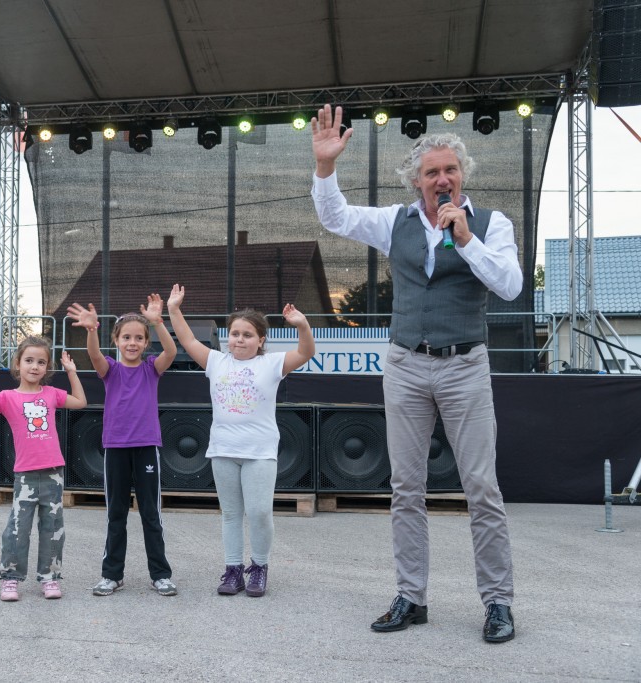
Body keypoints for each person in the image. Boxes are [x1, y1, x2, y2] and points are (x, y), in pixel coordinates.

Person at [310, 104, 520, 643]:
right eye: (431, 172)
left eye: (450, 170)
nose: (442, 179)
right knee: (406, 488)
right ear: (416, 181)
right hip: (405, 364)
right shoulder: (395, 222)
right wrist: (326, 166)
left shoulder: (492, 224)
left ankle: (498, 602)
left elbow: (510, 286)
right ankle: (411, 596)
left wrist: (466, 240)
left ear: (462, 175)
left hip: (465, 365)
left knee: (481, 487)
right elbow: (336, 218)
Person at [166, 285, 315, 597]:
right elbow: (188, 340)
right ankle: (233, 570)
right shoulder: (216, 361)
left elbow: (305, 353)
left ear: (260, 340)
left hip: (260, 452)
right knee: (231, 514)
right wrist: (174, 309)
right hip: (223, 450)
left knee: (259, 512)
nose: (240, 339)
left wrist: (302, 325)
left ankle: (259, 567)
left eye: (247, 335)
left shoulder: (271, 363)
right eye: (235, 333)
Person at [66, 295, 180, 597]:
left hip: (146, 447)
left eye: (139, 338)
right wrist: (92, 330)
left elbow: (171, 351)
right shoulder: (111, 370)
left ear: (146, 343)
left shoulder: (152, 369)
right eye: (126, 337)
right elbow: (94, 356)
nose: (132, 343)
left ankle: (161, 575)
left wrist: (158, 322)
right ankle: (112, 575)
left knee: (151, 514)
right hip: (116, 448)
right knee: (116, 514)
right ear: (116, 340)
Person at [0, 337, 87, 602]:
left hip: (53, 473)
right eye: (29, 360)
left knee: (53, 527)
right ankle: (10, 578)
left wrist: (72, 372)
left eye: (41, 362)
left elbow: (80, 402)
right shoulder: (7, 397)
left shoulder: (51, 394)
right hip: (26, 475)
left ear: (47, 367)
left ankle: (50, 577)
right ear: (18, 364)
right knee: (18, 528)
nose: (34, 366)